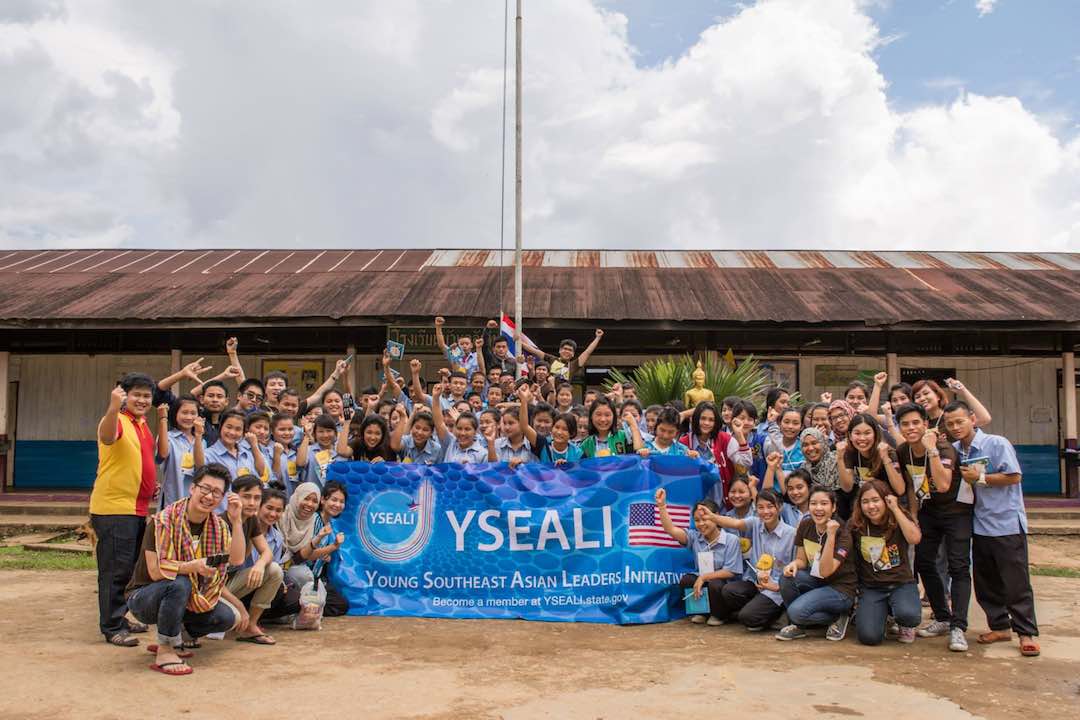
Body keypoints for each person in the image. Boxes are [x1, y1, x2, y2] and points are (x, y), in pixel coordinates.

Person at [124, 464, 247, 675]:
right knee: (180, 582)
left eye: (217, 492)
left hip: (190, 597)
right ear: (192, 488)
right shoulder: (162, 521)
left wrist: (236, 521)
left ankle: (176, 635)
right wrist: (192, 567)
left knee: (227, 617)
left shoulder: (218, 527)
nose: (209, 496)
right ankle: (165, 648)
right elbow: (155, 572)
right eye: (205, 489)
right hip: (144, 598)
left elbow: (236, 559)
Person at [944, 400, 1040, 657]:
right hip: (978, 523)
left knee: (1016, 581)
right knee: (985, 581)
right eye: (950, 423)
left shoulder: (996, 443)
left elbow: (1014, 476)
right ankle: (999, 626)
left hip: (1005, 522)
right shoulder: (954, 450)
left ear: (972, 419)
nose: (955, 427)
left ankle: (1026, 633)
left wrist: (981, 478)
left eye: (959, 421)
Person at [894, 402, 970, 652]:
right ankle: (942, 617)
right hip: (928, 512)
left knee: (958, 566)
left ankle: (959, 627)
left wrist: (932, 451)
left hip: (955, 512)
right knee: (924, 562)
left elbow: (944, 484)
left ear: (926, 424)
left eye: (916, 422)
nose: (911, 428)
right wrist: (914, 514)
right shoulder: (903, 450)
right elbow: (910, 483)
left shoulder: (943, 447)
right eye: (905, 424)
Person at [90, 373, 159, 646]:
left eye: (146, 396)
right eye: (137, 395)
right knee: (114, 570)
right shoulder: (116, 420)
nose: (142, 400)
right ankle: (112, 626)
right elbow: (107, 439)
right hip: (114, 508)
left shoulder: (141, 424)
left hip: (136, 508)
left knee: (129, 569)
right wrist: (112, 406)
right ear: (124, 396)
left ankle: (121, 617)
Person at [703, 489, 796, 630]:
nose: (765, 512)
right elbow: (735, 524)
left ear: (780, 507)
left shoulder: (791, 534)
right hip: (755, 582)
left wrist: (777, 586)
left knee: (747, 617)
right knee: (728, 591)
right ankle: (760, 610)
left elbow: (795, 568)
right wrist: (713, 517)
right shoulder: (756, 523)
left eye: (770, 506)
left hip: (776, 589)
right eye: (760, 507)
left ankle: (778, 613)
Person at [776, 486, 858, 642]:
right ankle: (799, 625)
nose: (818, 508)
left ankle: (840, 615)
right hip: (817, 581)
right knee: (786, 578)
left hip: (841, 589)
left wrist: (831, 535)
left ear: (833, 507)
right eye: (813, 503)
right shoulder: (806, 525)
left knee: (795, 612)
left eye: (824, 503)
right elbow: (802, 560)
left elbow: (826, 571)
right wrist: (793, 564)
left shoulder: (843, 535)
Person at [848, 479, 922, 645]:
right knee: (869, 637)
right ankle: (881, 617)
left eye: (876, 500)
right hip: (872, 587)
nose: (871, 506)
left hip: (901, 583)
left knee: (908, 615)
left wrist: (895, 508)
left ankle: (904, 622)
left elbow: (915, 538)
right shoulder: (855, 525)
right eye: (865, 502)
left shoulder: (898, 518)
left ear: (885, 500)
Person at [655, 490, 741, 626]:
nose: (701, 524)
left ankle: (719, 615)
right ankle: (700, 611)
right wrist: (662, 506)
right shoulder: (695, 537)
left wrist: (704, 577)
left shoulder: (731, 540)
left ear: (716, 517)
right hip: (702, 583)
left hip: (723, 586)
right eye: (697, 520)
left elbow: (731, 571)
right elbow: (671, 529)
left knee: (715, 584)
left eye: (705, 519)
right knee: (687, 580)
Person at [224, 476, 283, 645]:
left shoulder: (250, 521)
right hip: (211, 589)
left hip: (230, 584)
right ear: (233, 496)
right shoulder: (220, 522)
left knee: (273, 570)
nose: (252, 502)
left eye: (257, 498)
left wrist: (259, 565)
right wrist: (241, 608)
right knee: (228, 616)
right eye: (246, 496)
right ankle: (189, 629)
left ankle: (251, 625)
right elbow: (210, 581)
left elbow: (267, 552)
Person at [679, 401, 752, 506]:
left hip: (722, 507)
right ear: (696, 419)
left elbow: (746, 463)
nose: (707, 423)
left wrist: (739, 434)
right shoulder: (684, 443)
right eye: (703, 418)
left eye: (711, 420)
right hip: (694, 508)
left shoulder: (724, 439)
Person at [836, 412, 904, 520]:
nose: (862, 438)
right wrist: (839, 458)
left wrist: (885, 459)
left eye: (867, 433)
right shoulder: (850, 452)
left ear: (875, 434)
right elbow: (847, 487)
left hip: (888, 506)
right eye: (857, 433)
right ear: (850, 435)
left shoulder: (888, 453)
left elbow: (900, 489)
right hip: (864, 506)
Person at [156, 395, 207, 508]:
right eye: (184, 412)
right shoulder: (168, 437)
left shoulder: (202, 442)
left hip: (194, 502)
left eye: (193, 413)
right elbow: (163, 454)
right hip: (172, 500)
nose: (189, 417)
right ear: (175, 414)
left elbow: (201, 468)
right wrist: (163, 419)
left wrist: (198, 436)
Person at [204, 410, 266, 489]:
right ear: (221, 427)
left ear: (243, 432)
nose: (232, 432)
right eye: (229, 427)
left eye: (238, 429)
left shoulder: (247, 453)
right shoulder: (208, 455)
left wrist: (254, 445)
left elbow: (260, 472)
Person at [431, 384, 488, 463]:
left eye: (467, 429)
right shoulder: (451, 442)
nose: (463, 433)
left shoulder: (483, 453)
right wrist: (435, 398)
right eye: (459, 428)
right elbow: (439, 423)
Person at [490, 388, 538, 465]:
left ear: (521, 422)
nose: (506, 427)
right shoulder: (497, 444)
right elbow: (494, 469)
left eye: (511, 423)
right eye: (504, 423)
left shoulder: (532, 444)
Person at [297, 414, 339, 487]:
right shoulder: (308, 450)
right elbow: (300, 463)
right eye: (320, 431)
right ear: (314, 433)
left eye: (329, 431)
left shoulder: (340, 451)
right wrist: (307, 435)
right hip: (313, 496)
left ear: (335, 432)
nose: (325, 435)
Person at [764, 408, 805, 477]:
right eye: (786, 422)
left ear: (802, 426)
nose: (790, 426)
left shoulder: (804, 447)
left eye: (795, 423)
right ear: (779, 423)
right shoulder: (770, 445)